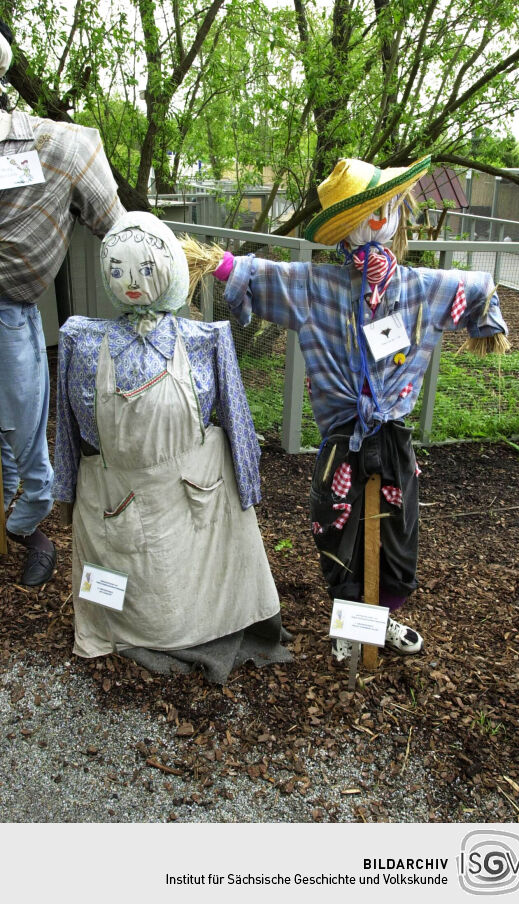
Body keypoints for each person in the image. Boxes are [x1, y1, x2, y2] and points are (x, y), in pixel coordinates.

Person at [210, 155, 509, 660]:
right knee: (336, 527)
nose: (380, 221)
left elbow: (472, 287)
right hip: (341, 439)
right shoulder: (316, 288)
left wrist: (487, 317)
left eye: (386, 209)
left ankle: (382, 617)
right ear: (346, 228)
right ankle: (349, 621)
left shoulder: (415, 287)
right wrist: (222, 267)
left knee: (397, 531)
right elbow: (261, 276)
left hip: (391, 437)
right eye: (368, 214)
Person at [53, 211, 291, 684]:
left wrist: (249, 489)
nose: (131, 282)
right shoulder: (80, 341)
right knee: (132, 582)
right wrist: (66, 493)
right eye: (117, 270)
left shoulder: (206, 339)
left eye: (146, 269)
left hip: (193, 495)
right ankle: (134, 628)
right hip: (118, 496)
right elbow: (66, 431)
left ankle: (206, 624)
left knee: (195, 582)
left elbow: (238, 424)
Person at [0, 20, 125, 586]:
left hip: (10, 312)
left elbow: (118, 227)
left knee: (22, 431)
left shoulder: (51, 144)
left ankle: (23, 526)